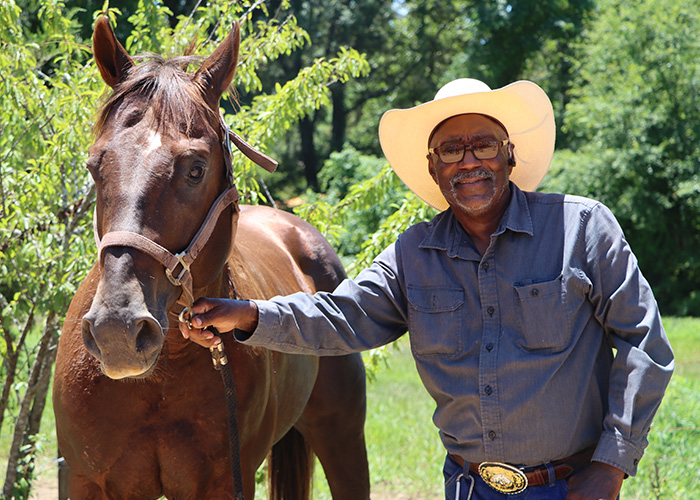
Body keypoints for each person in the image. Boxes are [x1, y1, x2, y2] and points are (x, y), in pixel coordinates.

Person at [179, 79, 674, 500]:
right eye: (451, 150)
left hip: (572, 484)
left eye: (483, 144)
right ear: (434, 169)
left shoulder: (582, 227)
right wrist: (246, 315)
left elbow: (644, 341)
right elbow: (343, 316)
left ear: (509, 154)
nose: (468, 161)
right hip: (468, 486)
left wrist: (611, 465)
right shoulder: (414, 254)